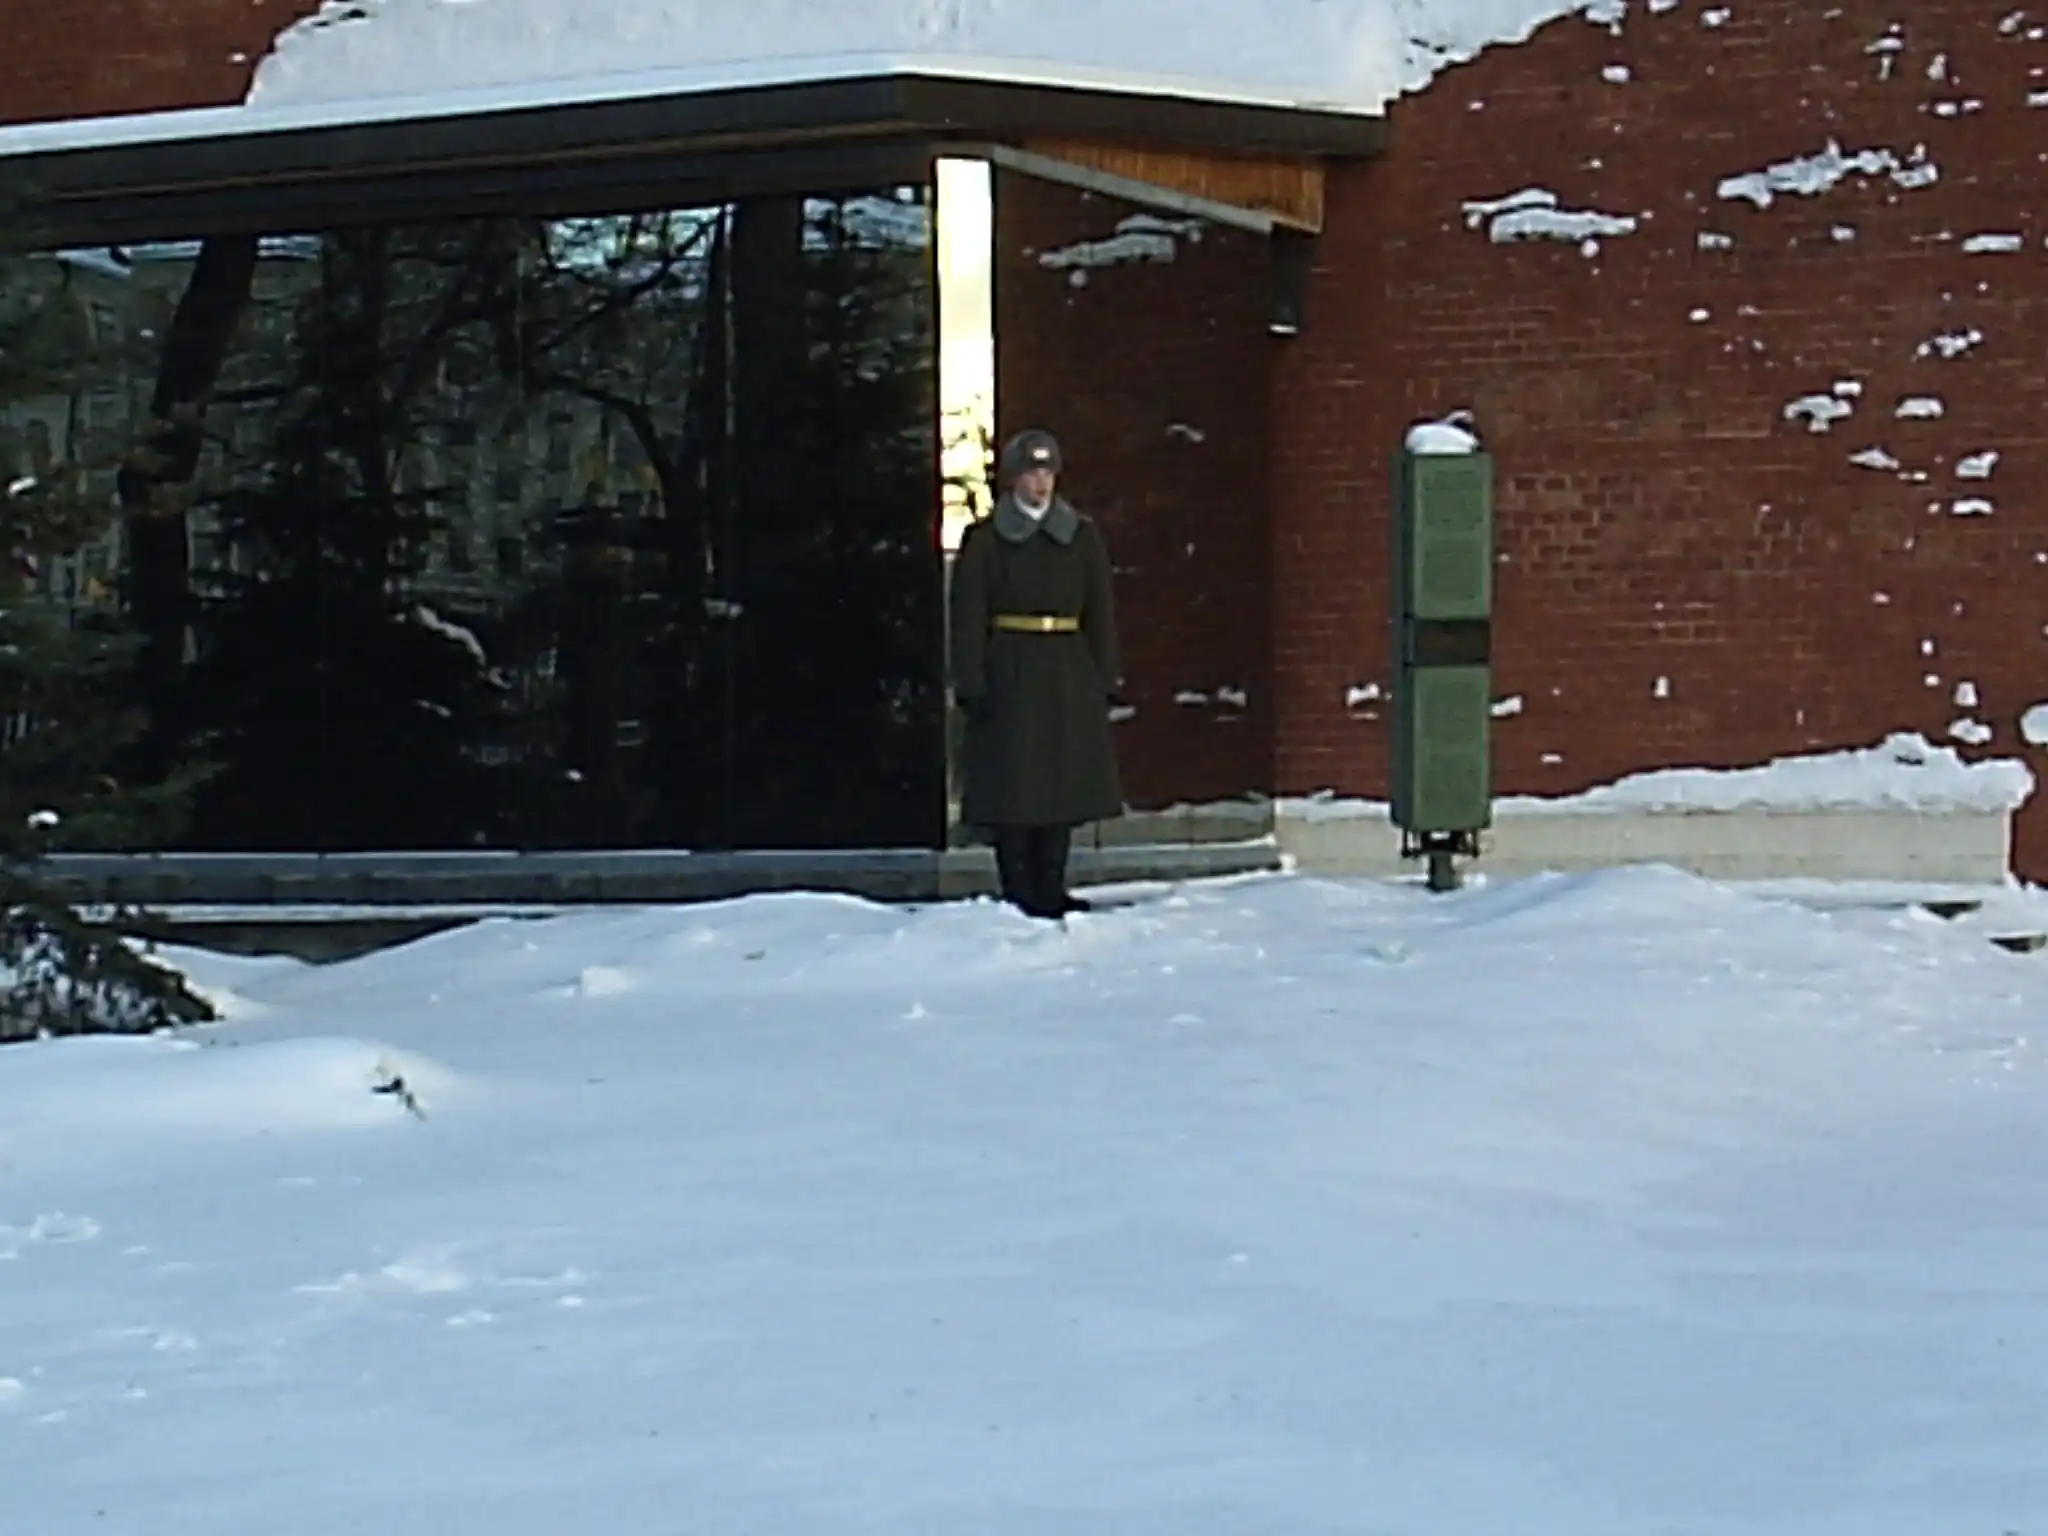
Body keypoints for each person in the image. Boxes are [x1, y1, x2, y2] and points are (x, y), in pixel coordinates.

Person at [949, 429, 1125, 919]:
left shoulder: (1081, 536)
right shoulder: (986, 540)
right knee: (1014, 784)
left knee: (1060, 782)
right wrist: (970, 679)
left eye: (1047, 472)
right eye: (1031, 472)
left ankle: (1052, 884)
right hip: (1009, 668)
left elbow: (1099, 611)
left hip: (1067, 669)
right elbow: (968, 615)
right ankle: (1018, 886)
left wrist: (1105, 674)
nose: (1040, 483)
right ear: (1014, 478)